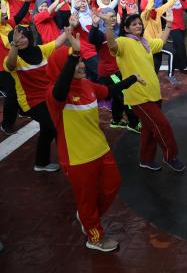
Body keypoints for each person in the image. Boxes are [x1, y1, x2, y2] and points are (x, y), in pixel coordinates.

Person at [46, 32, 141, 252]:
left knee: (113, 185)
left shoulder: (87, 85)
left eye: (81, 61)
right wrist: (73, 54)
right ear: (62, 67)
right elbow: (60, 90)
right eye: (76, 62)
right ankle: (95, 237)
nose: (81, 65)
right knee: (87, 200)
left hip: (101, 149)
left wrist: (133, 79)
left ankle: (87, 217)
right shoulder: (54, 95)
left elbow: (109, 90)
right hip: (77, 158)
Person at [101, 11, 186, 172]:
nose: (138, 25)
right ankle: (171, 156)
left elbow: (161, 42)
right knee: (162, 126)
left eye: (139, 23)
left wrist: (169, 24)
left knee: (149, 129)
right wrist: (108, 25)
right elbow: (112, 46)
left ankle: (146, 160)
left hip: (153, 93)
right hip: (139, 96)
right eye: (134, 24)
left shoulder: (144, 42)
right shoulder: (123, 41)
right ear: (126, 28)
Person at [4, 25, 69, 171]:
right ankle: (68, 160)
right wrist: (14, 45)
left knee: (48, 130)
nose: (20, 40)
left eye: (23, 37)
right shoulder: (13, 58)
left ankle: (41, 163)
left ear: (29, 37)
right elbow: (10, 65)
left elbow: (57, 43)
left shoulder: (40, 50)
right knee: (55, 126)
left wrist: (70, 27)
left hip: (48, 97)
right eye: (16, 38)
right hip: (31, 102)